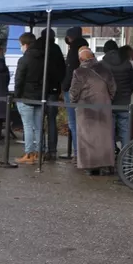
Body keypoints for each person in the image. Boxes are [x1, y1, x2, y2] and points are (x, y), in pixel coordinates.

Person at [70, 46, 117, 175]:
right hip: (104, 108)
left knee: (87, 138)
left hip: (86, 110)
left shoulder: (78, 72)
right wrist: (107, 100)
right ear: (93, 56)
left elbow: (74, 93)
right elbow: (113, 89)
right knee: (104, 137)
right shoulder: (105, 70)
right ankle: (105, 165)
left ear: (80, 59)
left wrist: (74, 103)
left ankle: (90, 166)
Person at [33, 28, 67, 161]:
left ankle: (40, 149)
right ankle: (52, 150)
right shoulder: (56, 49)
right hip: (52, 89)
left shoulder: (35, 48)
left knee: (38, 120)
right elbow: (62, 70)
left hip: (38, 89)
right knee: (51, 120)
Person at [14, 32, 45, 164]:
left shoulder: (24, 60)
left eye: (21, 44)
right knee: (38, 127)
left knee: (27, 126)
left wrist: (17, 95)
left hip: (25, 96)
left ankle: (29, 154)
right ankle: (39, 153)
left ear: (25, 45)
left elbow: (19, 79)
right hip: (39, 96)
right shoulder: (43, 58)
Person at [101, 40, 133, 150]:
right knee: (125, 132)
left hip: (109, 103)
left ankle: (110, 160)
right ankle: (125, 162)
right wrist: (127, 93)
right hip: (125, 102)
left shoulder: (103, 64)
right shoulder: (127, 63)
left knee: (108, 132)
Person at [61, 27, 89, 158]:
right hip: (86, 91)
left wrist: (64, 88)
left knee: (73, 122)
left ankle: (78, 153)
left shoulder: (73, 51)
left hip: (72, 90)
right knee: (84, 122)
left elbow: (69, 72)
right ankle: (83, 152)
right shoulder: (86, 50)